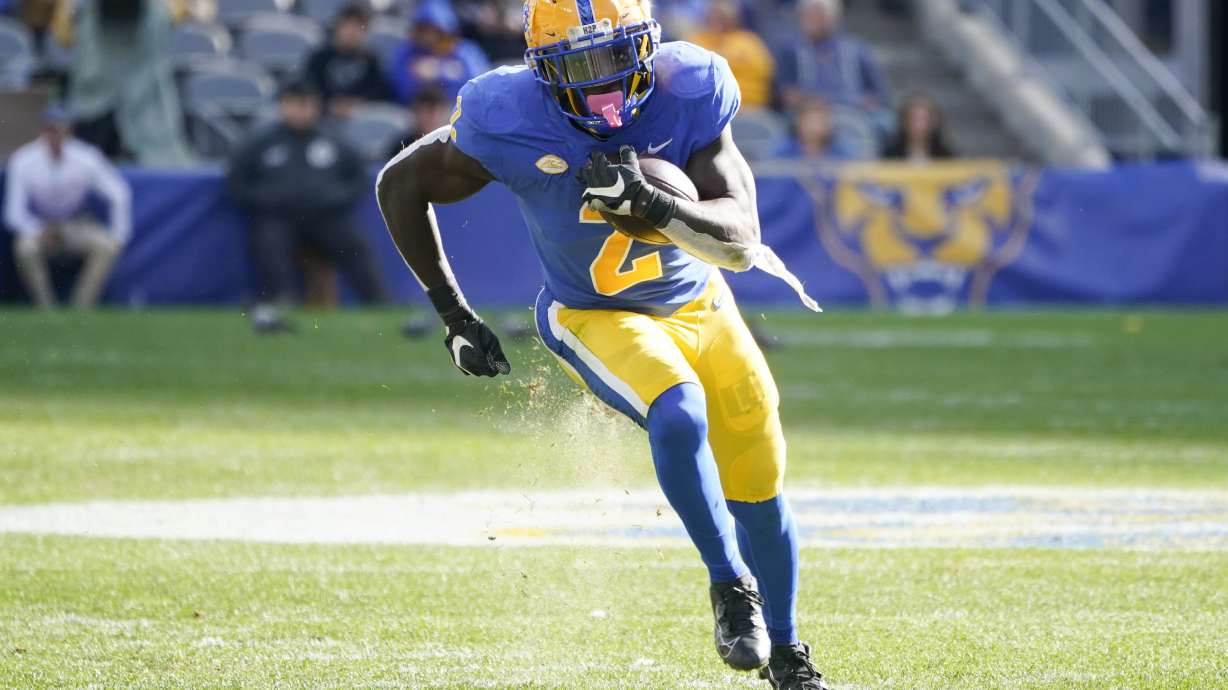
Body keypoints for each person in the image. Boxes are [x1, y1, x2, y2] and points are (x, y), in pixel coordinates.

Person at [374, 1, 826, 688]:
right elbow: (400, 183)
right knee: (679, 410)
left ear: (646, 47)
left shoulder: (689, 90)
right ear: (540, 70)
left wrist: (660, 207)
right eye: (577, 66)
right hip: (592, 314)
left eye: (615, 57)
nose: (601, 81)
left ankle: (791, 656)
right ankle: (730, 584)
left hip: (701, 302)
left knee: (758, 474)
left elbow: (740, 240)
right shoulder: (510, 115)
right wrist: (455, 315)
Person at [226, 80, 386, 333]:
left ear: (316, 106)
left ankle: (379, 303)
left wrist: (337, 198)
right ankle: (281, 300)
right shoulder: (261, 143)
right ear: (283, 106)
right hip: (279, 218)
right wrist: (265, 200)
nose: (301, 110)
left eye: (306, 104)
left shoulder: (334, 140)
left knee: (354, 244)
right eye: (294, 104)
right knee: (268, 241)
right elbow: (236, 182)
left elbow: (359, 178)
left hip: (325, 217)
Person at [3, 105, 131, 308]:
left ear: (69, 131)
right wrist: (37, 228)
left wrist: (120, 234)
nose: (55, 135)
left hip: (74, 224)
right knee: (25, 248)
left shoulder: (86, 157)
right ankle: (46, 308)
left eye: (60, 129)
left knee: (107, 246)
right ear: (43, 130)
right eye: (50, 129)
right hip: (40, 224)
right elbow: (13, 213)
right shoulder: (24, 160)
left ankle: (81, 307)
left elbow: (119, 192)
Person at [58, 0, 192, 165]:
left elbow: (172, 17)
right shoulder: (85, 11)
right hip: (94, 101)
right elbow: (64, 34)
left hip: (145, 100)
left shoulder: (158, 11)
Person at [774, 0, 890, 156]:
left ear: (834, 19)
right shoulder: (790, 50)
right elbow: (784, 91)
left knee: (884, 122)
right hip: (808, 112)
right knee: (787, 121)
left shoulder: (857, 49)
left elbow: (879, 92)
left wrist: (867, 101)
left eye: (819, 15)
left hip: (854, 110)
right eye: (809, 16)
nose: (813, 20)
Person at [385, 0, 490, 106]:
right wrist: (420, 79)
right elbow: (400, 90)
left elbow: (478, 88)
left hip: (459, 114)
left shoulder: (466, 52)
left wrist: (440, 71)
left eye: (436, 30)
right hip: (418, 114)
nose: (428, 37)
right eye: (422, 29)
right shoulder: (407, 52)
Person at [303, 3, 391, 120]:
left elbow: (380, 92)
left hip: (362, 117)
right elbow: (310, 87)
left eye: (357, 27)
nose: (351, 32)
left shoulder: (371, 60)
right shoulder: (320, 57)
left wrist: (359, 103)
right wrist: (330, 103)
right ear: (337, 27)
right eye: (347, 25)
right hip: (324, 117)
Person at [687, 0, 774, 110]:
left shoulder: (749, 42)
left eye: (721, 16)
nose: (716, 20)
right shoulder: (696, 40)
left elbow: (765, 73)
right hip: (705, 108)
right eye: (713, 15)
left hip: (748, 107)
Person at [775, 95, 856, 162]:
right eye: (811, 121)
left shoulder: (843, 150)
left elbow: (857, 177)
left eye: (820, 120)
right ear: (799, 122)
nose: (815, 127)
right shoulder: (781, 151)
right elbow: (770, 179)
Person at [882, 92, 954, 162]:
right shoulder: (889, 156)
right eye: (913, 119)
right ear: (904, 121)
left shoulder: (947, 156)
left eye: (924, 119)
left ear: (934, 122)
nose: (919, 125)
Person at [384, 86, 451, 160]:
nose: (434, 118)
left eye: (439, 112)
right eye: (428, 112)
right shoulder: (402, 148)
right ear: (415, 112)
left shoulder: (453, 146)